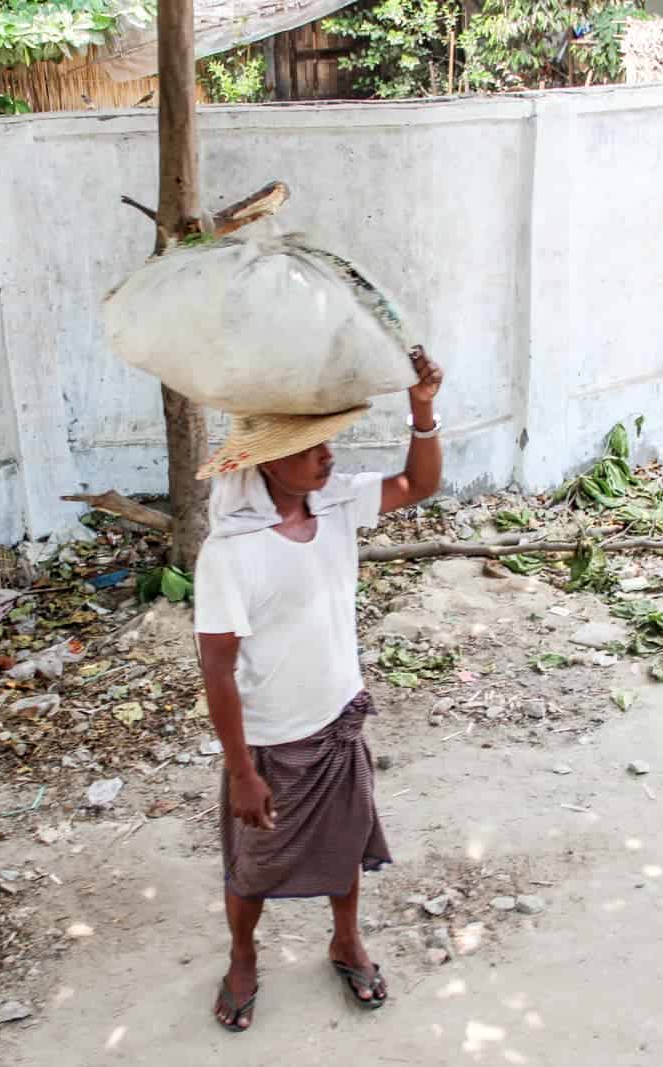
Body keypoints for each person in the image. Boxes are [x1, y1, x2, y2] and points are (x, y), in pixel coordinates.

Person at [192, 346, 445, 1033]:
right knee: (252, 868)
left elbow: (418, 484)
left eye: (326, 442)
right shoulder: (231, 553)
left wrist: (421, 410)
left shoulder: (333, 505)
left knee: (346, 841)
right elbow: (217, 670)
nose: (326, 456)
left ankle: (346, 940)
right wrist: (241, 770)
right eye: (308, 449)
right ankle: (243, 955)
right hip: (273, 741)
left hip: (339, 723)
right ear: (267, 464)